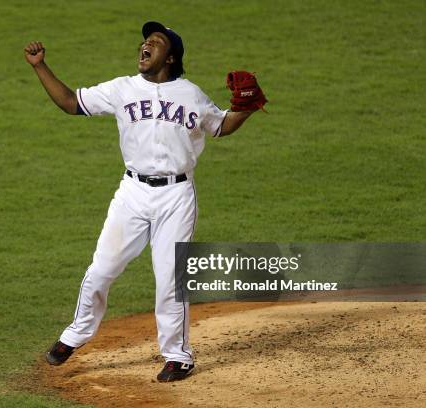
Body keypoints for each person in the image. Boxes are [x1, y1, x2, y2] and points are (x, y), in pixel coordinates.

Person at [24, 21, 262, 382]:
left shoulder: (191, 94)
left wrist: (247, 108)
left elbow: (221, 126)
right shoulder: (122, 88)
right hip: (132, 194)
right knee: (102, 268)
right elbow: (71, 102)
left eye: (155, 42)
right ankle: (75, 334)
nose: (145, 46)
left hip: (176, 197)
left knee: (169, 278)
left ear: (171, 56)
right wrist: (40, 66)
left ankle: (178, 357)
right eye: (144, 41)